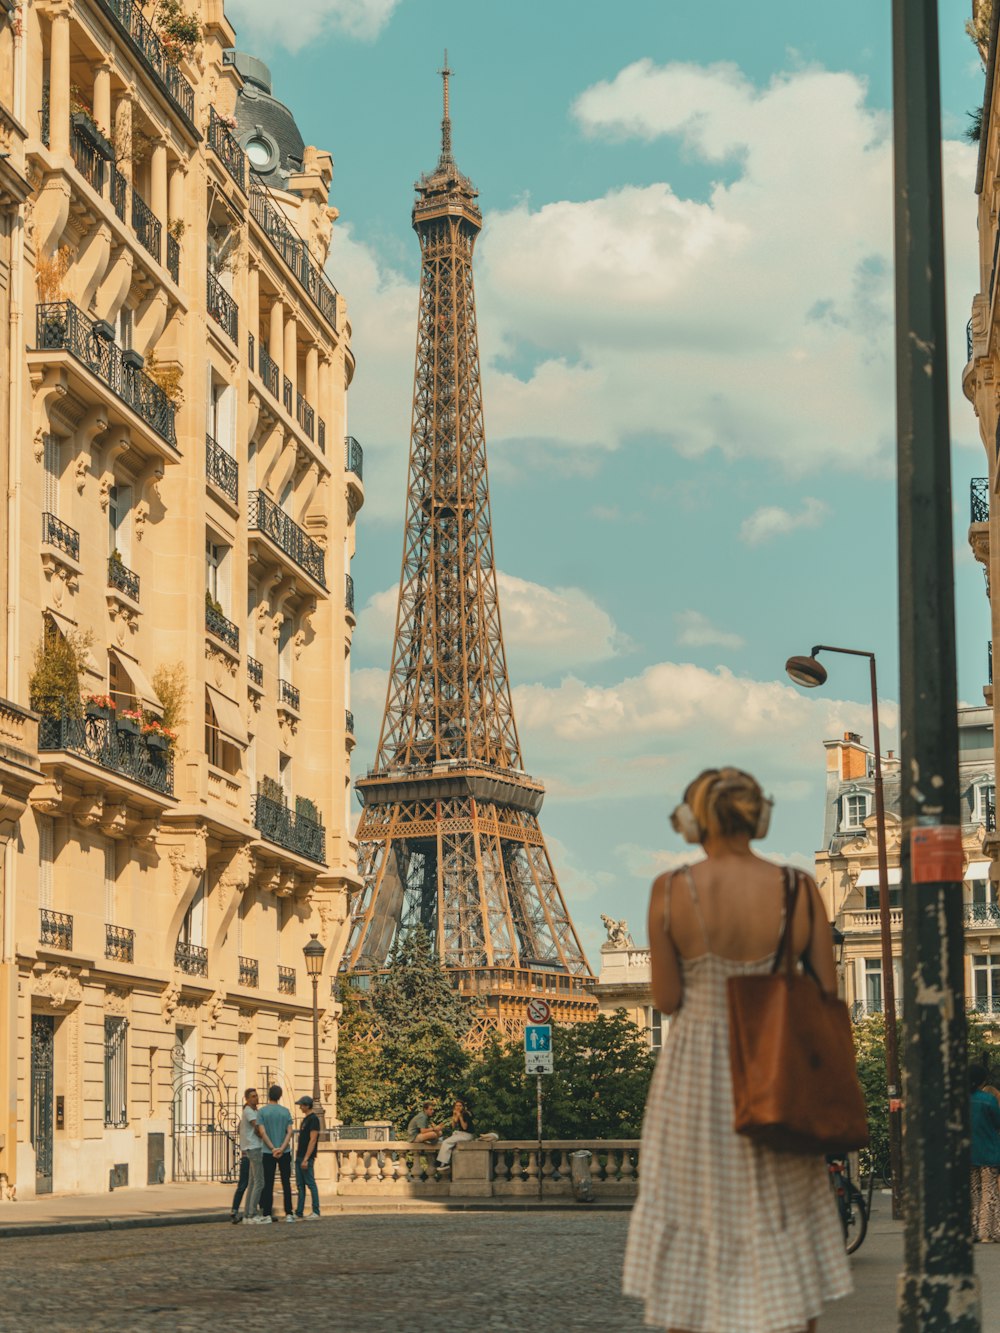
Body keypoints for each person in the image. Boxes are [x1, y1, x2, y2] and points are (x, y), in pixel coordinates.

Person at [622, 768, 852, 1333]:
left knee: (693, 1210)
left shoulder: (672, 890)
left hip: (697, 1071)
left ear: (694, 820)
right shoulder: (798, 888)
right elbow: (827, 991)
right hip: (777, 1070)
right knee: (783, 1211)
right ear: (759, 817)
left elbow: (668, 998)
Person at [238, 1087, 279, 1225]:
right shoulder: (249, 1111)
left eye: (257, 1096)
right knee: (259, 1182)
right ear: (247, 1099)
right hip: (254, 1147)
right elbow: (257, 1127)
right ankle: (252, 1213)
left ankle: (247, 1214)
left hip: (253, 1147)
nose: (256, 1098)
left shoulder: (254, 1111)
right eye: (253, 1096)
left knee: (252, 1182)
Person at [970, 1061, 1000, 1241]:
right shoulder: (988, 1099)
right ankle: (986, 1231)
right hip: (988, 1152)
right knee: (989, 1192)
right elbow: (998, 1123)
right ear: (982, 1081)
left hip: (967, 1154)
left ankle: (971, 1230)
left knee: (973, 1192)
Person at [258, 1085, 295, 1222]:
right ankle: (289, 1213)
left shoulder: (262, 1112)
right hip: (284, 1151)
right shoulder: (285, 1112)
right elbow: (290, 1131)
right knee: (286, 1183)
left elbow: (262, 1132)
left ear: (269, 1095)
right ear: (280, 1096)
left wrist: (273, 1148)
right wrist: (281, 1147)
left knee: (268, 1183)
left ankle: (267, 1213)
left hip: (268, 1152)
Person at [294, 1094, 322, 1220]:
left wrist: (306, 1158)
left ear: (306, 1105)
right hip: (300, 1155)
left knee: (310, 1183)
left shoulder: (313, 1119)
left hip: (306, 1157)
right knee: (300, 1185)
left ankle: (316, 1211)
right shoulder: (305, 1120)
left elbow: (313, 1139)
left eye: (301, 1105)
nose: (300, 1107)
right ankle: (299, 1211)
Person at [436, 1098, 475, 1171]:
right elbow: (453, 1126)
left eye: (460, 1106)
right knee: (447, 1138)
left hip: (467, 1135)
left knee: (446, 1142)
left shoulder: (465, 1114)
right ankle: (444, 1160)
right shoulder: (457, 1113)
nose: (458, 1107)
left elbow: (464, 1127)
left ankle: (444, 1163)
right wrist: (454, 1116)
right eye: (456, 1106)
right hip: (461, 1133)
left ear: (463, 1107)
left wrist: (460, 1116)